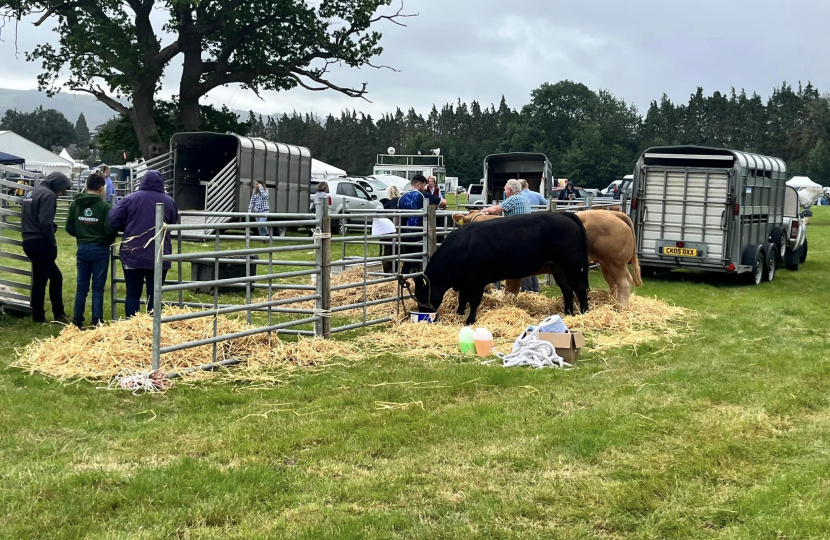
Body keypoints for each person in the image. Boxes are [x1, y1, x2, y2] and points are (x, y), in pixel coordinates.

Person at [108, 170, 179, 318]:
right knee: (155, 294)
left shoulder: (130, 199)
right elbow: (173, 222)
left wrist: (127, 227)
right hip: (159, 253)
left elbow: (113, 220)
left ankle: (131, 325)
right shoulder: (169, 201)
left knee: (133, 293)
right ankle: (153, 329)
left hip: (133, 252)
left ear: (142, 182)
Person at [65, 173, 118, 327]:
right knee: (98, 288)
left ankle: (77, 320)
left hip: (82, 247)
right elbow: (110, 230)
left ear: (86, 186)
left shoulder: (76, 204)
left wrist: (81, 236)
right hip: (100, 249)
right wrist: (105, 241)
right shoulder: (104, 207)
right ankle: (97, 321)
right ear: (102, 189)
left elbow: (69, 227)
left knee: (81, 287)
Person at [20, 172, 72, 323]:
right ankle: (54, 315)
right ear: (56, 184)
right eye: (62, 190)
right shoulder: (48, 195)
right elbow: (44, 221)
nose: (61, 194)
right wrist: (52, 240)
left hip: (28, 239)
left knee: (43, 278)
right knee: (49, 279)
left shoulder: (32, 192)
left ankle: (41, 314)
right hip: (41, 241)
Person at [398, 174, 446, 274]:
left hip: (404, 234)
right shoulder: (423, 194)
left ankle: (404, 276)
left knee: (409, 257)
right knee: (419, 258)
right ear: (419, 185)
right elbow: (444, 202)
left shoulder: (401, 197)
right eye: (424, 186)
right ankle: (416, 276)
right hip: (419, 234)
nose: (425, 188)